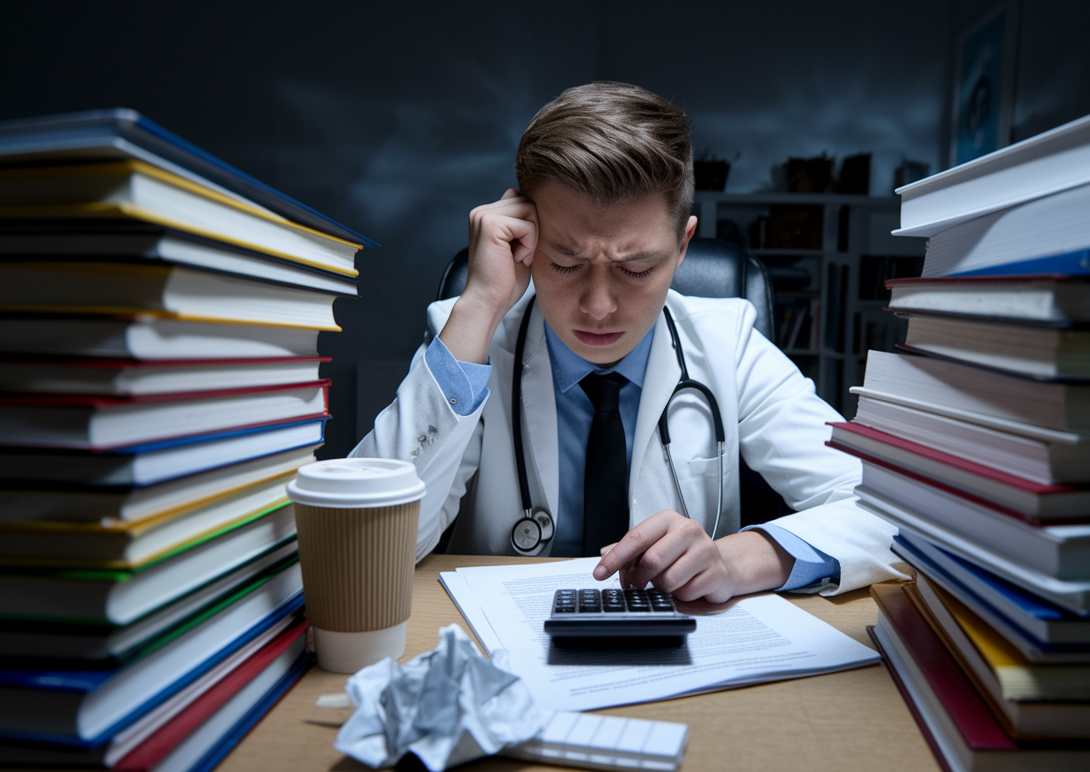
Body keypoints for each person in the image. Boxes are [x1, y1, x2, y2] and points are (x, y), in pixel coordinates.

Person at [351, 82, 905, 602]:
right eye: (565, 263)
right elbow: (365, 546)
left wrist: (736, 561)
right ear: (523, 237)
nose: (598, 307)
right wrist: (477, 307)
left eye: (636, 268)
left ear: (683, 245)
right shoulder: (470, 338)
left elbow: (895, 515)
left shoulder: (726, 343)